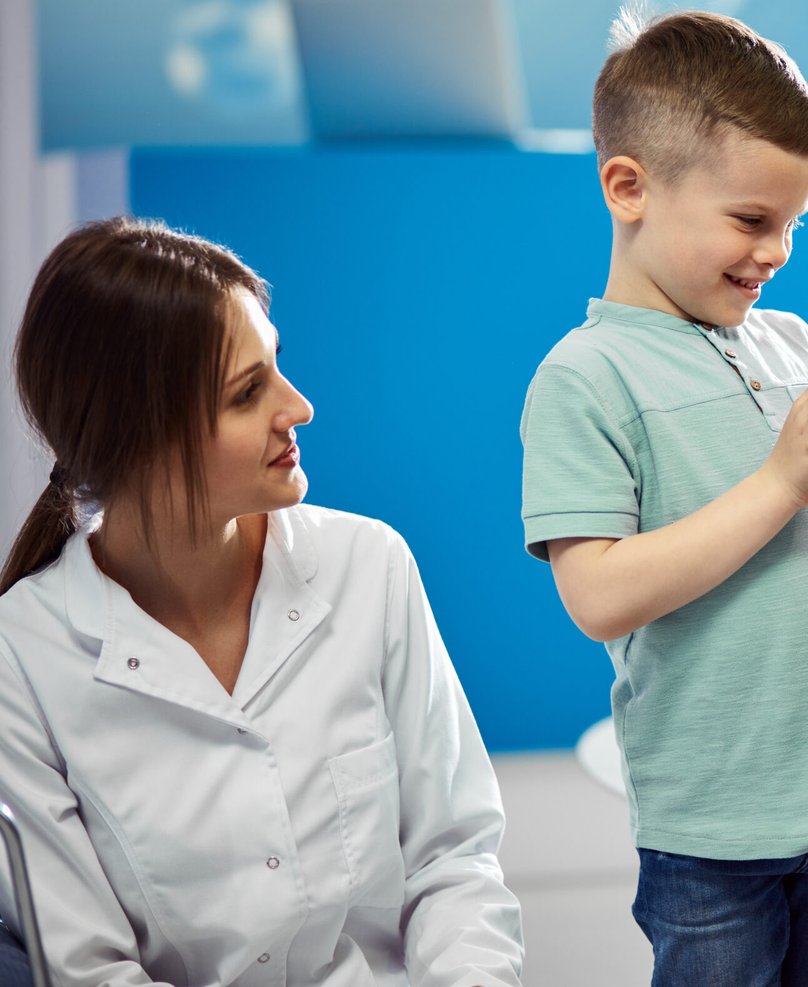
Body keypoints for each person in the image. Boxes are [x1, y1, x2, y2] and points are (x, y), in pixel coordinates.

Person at [518, 9, 808, 986]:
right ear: (627, 186)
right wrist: (777, 484)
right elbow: (597, 594)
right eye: (750, 220)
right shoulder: (585, 375)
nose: (776, 251)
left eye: (792, 224)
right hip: (716, 832)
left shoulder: (795, 343)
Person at [0, 218, 524, 986]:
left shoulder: (367, 565)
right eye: (247, 393)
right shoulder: (22, 660)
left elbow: (454, 858)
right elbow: (88, 970)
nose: (299, 406)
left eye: (277, 365)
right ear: (138, 438)